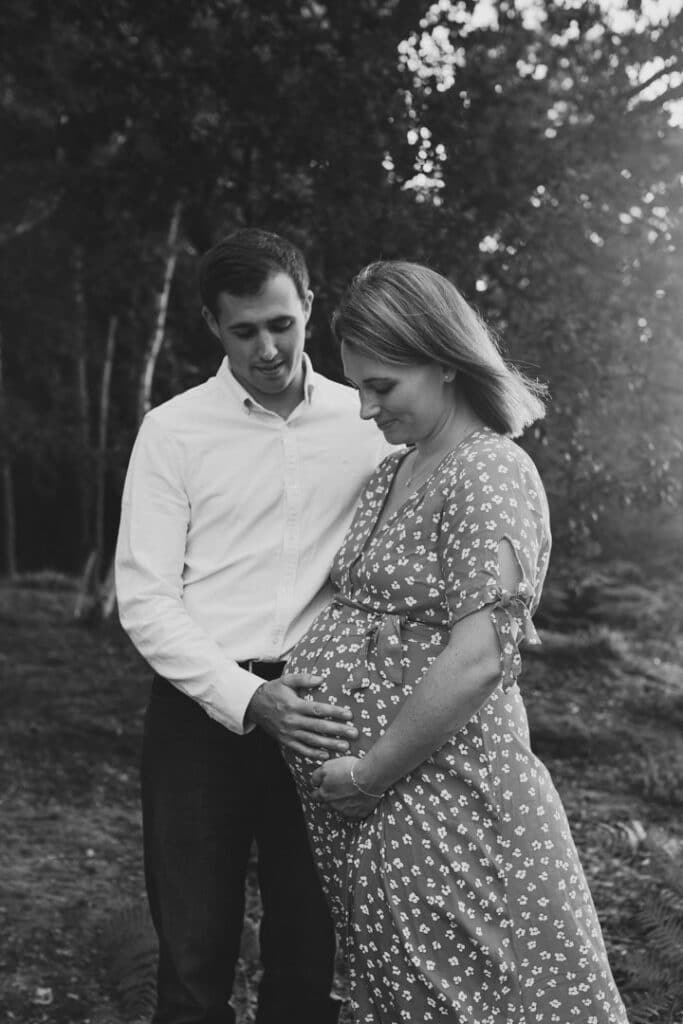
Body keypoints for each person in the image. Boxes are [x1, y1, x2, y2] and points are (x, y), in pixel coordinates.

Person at [282, 261, 629, 1023]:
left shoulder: (491, 471)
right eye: (359, 386)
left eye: (383, 386)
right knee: (408, 996)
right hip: (373, 816)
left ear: (442, 360)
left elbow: (481, 656)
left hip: (444, 802)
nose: (366, 408)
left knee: (472, 999)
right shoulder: (392, 473)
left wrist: (370, 772)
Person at [114, 229, 389, 1024]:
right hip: (199, 714)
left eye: (281, 323)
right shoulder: (173, 431)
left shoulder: (367, 420)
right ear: (211, 324)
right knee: (193, 962)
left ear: (309, 306)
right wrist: (244, 696)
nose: (267, 348)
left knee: (310, 959)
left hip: (324, 713)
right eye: (244, 331)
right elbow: (146, 597)